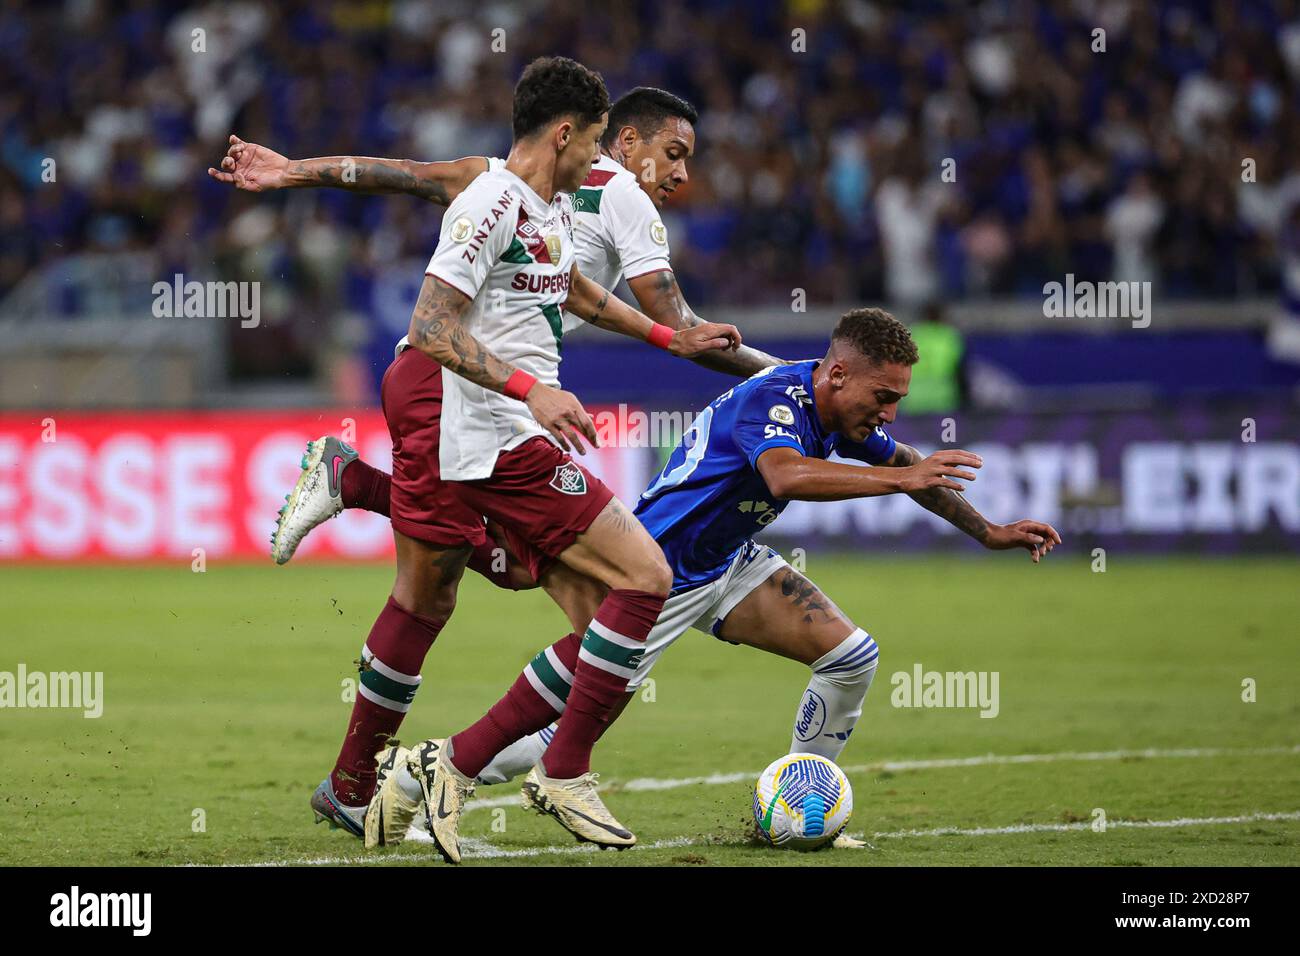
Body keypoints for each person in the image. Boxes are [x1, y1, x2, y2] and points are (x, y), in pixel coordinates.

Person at [371, 307, 1059, 859]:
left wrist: (987, 530)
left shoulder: (834, 409)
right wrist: (900, 477)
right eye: (884, 396)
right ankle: (411, 776)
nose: (889, 412)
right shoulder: (777, 400)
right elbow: (787, 476)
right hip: (659, 568)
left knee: (850, 657)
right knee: (554, 735)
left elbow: (908, 459)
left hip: (726, 561)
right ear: (840, 373)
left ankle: (802, 804)